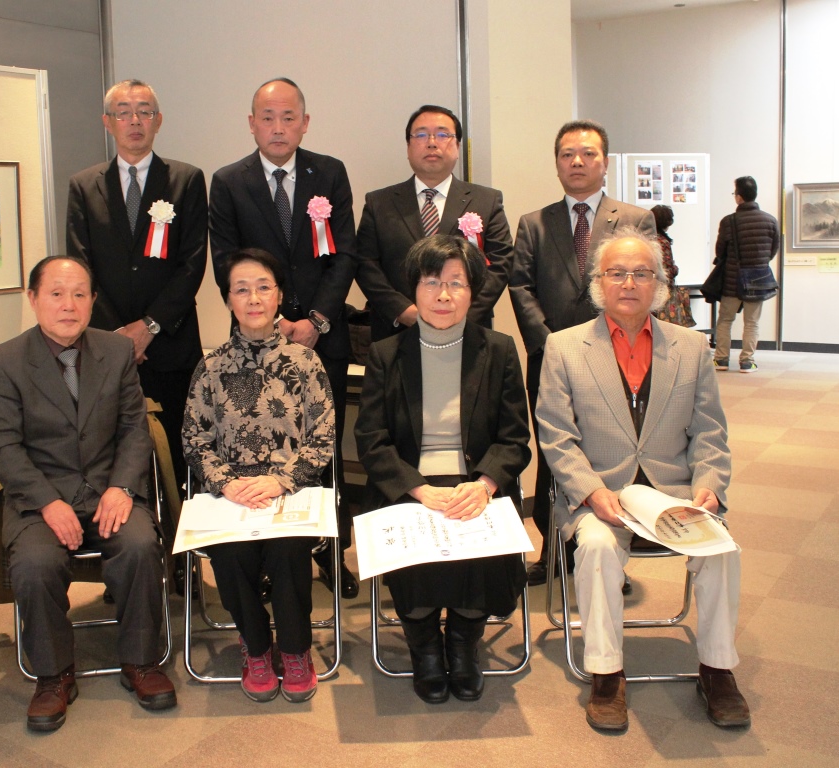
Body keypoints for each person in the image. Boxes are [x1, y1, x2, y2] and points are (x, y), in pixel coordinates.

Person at [536, 230, 748, 732]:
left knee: (722, 549)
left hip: (675, 496)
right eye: (617, 273)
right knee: (597, 548)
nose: (628, 283)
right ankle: (606, 674)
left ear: (660, 283)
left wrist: (710, 484)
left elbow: (710, 432)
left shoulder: (692, 347)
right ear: (598, 282)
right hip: (600, 495)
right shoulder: (564, 347)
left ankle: (717, 670)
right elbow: (556, 435)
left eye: (641, 273)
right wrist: (590, 491)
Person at [0, 256, 176, 732]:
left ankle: (141, 661)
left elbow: (135, 430)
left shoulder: (116, 350)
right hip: (41, 498)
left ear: (92, 301)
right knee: (34, 563)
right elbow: (3, 447)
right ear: (33, 299)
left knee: (139, 545)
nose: (68, 305)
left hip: (110, 490)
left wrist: (122, 487)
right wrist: (48, 503)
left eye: (79, 294)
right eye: (56, 294)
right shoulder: (5, 361)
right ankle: (53, 675)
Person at [355, 235, 530, 704]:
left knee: (478, 546)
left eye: (456, 282)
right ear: (414, 288)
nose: (444, 295)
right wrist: (417, 488)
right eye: (432, 282)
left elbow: (514, 439)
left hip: (475, 480)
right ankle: (426, 650)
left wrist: (485, 484)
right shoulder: (386, 354)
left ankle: (463, 644)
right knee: (417, 547)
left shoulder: (499, 350)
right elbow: (371, 440)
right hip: (411, 483)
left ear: (473, 291)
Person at [208, 77, 358, 598]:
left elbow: (344, 254)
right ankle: (270, 556)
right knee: (260, 449)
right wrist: (271, 325)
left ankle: (331, 553)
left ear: (305, 123)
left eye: (288, 117)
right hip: (253, 344)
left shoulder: (329, 173)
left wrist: (315, 321)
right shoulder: (229, 182)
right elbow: (225, 263)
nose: (278, 127)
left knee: (324, 448)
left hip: (322, 338)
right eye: (267, 118)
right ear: (252, 124)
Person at [182, 248, 335, 704]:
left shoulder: (306, 363)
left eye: (263, 287)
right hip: (232, 492)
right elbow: (194, 439)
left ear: (280, 296)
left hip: (289, 490)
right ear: (228, 300)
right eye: (242, 290)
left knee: (288, 550)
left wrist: (281, 481)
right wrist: (227, 483)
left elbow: (323, 438)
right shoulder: (210, 367)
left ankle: (295, 649)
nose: (253, 298)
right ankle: (255, 646)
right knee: (231, 552)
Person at [509, 120, 656, 587]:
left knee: (612, 452)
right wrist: (551, 345)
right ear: (556, 164)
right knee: (554, 453)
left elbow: (642, 288)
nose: (577, 161)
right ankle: (552, 552)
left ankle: (612, 553)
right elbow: (520, 286)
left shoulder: (635, 219)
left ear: (605, 163)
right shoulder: (534, 223)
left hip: (618, 359)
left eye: (588, 154)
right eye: (567, 154)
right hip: (549, 357)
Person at [67, 78, 207, 511]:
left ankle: (182, 540)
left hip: (170, 345)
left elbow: (192, 265)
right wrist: (119, 337)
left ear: (158, 121)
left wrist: (148, 327)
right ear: (107, 122)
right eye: (124, 112)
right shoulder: (84, 185)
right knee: (115, 451)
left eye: (144, 112)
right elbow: (80, 268)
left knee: (180, 450)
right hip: (106, 349)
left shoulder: (185, 180)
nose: (134, 121)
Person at [356, 105, 514, 341]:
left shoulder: (486, 200)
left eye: (442, 134)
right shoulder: (379, 202)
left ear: (457, 146)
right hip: (396, 333)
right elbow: (365, 263)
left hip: (468, 330)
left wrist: (461, 315)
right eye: (421, 134)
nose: (432, 143)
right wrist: (403, 311)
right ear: (408, 147)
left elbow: (500, 262)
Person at [713, 176, 780, 373]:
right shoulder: (770, 220)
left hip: (732, 280)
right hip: (758, 279)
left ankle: (721, 360)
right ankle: (747, 361)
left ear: (739, 197)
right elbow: (772, 251)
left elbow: (720, 252)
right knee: (752, 323)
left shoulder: (729, 221)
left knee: (725, 321)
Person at [651, 204, 696, 328]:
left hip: (649, 291)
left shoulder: (646, 239)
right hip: (663, 295)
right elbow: (668, 271)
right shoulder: (663, 242)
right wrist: (675, 269)